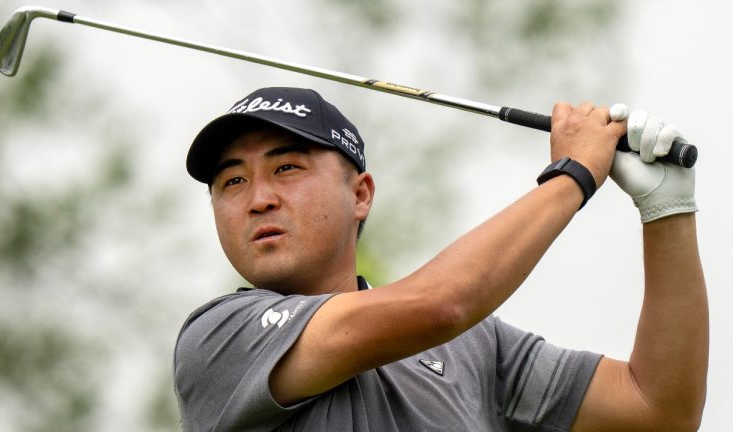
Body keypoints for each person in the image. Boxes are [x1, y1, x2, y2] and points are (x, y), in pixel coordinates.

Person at [173, 87, 707, 431]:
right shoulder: (219, 338)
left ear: (360, 195)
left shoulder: (475, 346)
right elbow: (441, 303)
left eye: (286, 168)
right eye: (232, 181)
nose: (257, 197)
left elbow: (658, 409)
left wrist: (667, 211)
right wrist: (574, 174)